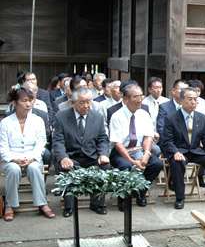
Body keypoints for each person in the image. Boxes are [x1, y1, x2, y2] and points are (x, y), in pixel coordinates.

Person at [53, 87, 111, 217]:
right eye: (82, 102)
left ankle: (97, 203)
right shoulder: (61, 117)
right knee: (65, 168)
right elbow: (58, 141)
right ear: (73, 103)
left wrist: (103, 154)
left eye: (89, 102)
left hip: (91, 156)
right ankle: (69, 206)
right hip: (72, 156)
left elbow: (103, 139)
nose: (86, 106)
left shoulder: (98, 117)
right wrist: (63, 157)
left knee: (105, 166)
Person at [0, 88, 56, 221]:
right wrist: (15, 159)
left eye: (31, 101)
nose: (28, 104)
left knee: (34, 168)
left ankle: (42, 203)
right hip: (11, 158)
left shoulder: (37, 120)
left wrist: (31, 158)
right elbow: (2, 147)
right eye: (24, 101)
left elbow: (41, 143)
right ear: (14, 103)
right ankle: (10, 205)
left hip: (32, 156)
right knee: (13, 169)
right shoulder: (5, 123)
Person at [162, 87, 205, 209]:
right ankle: (179, 197)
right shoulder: (171, 118)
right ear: (181, 100)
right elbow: (167, 141)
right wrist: (176, 152)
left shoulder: (202, 117)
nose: (193, 102)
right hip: (179, 150)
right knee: (177, 162)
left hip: (196, 150)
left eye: (195, 99)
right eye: (190, 99)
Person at [109, 84, 163, 212]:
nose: (140, 99)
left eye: (141, 96)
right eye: (136, 97)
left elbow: (148, 138)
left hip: (138, 149)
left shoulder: (144, 114)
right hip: (121, 152)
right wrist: (132, 161)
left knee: (157, 164)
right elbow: (118, 144)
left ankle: (140, 191)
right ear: (126, 99)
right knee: (126, 166)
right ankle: (122, 196)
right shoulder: (117, 116)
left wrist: (146, 154)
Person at [143, 77, 169, 143]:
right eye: (156, 88)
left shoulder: (166, 102)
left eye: (160, 87)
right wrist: (152, 133)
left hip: (164, 136)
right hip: (148, 136)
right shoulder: (144, 103)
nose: (159, 90)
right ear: (149, 89)